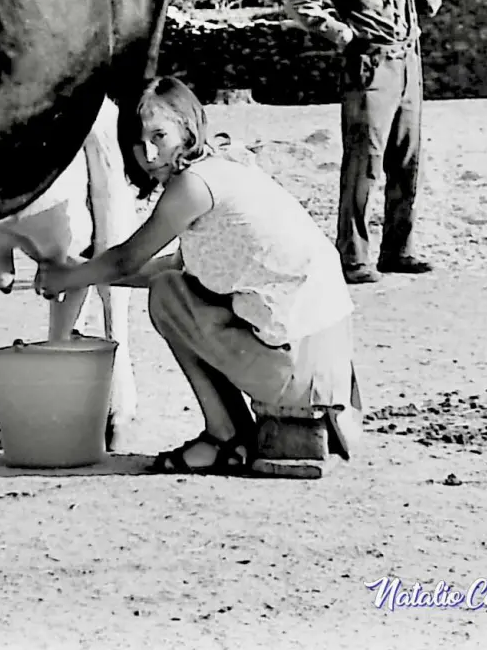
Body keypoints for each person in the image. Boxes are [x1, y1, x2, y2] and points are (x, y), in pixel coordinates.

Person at [34, 77, 362, 475]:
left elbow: (128, 259)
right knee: (176, 286)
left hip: (296, 371)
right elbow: (171, 265)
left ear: (188, 128)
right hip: (324, 363)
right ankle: (233, 433)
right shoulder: (226, 166)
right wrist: (83, 271)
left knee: (168, 297)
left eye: (160, 135)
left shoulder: (191, 186)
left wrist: (67, 278)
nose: (150, 152)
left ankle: (223, 437)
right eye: (138, 143)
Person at [283, 0, 442, 284]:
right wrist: (341, 33)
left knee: (407, 162)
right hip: (369, 64)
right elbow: (300, 1)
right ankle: (353, 256)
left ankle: (398, 249)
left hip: (408, 62)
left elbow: (432, 5)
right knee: (364, 164)